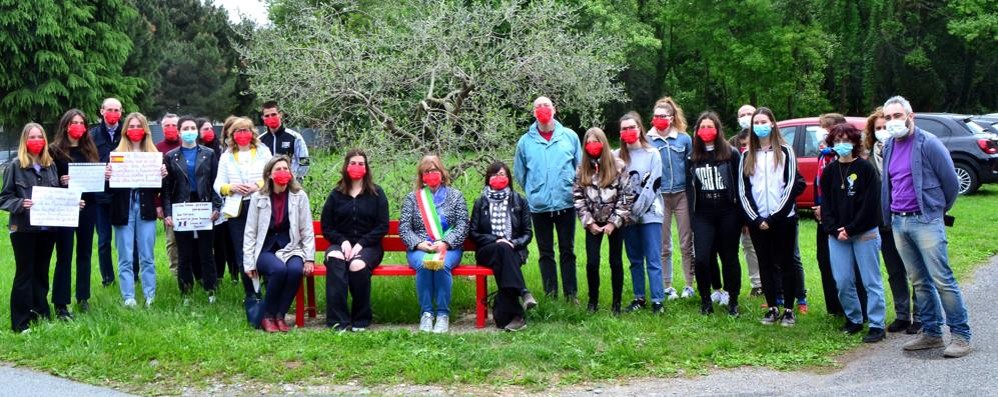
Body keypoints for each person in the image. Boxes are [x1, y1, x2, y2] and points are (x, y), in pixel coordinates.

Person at [880, 95, 970, 358]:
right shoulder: (888, 147)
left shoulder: (928, 143)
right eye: (888, 117)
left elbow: (951, 184)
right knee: (919, 281)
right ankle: (931, 333)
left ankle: (961, 335)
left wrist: (935, 211)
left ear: (911, 116)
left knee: (943, 280)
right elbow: (890, 184)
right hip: (899, 220)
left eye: (897, 116)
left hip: (926, 219)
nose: (892, 121)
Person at [737, 107, 805, 326]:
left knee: (786, 263)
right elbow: (743, 190)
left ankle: (788, 309)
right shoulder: (747, 155)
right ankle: (772, 307)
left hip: (783, 219)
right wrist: (756, 219)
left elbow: (791, 185)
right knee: (765, 264)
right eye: (756, 123)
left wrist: (774, 217)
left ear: (773, 124)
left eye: (763, 122)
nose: (759, 127)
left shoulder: (786, 152)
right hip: (758, 221)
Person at [820, 123, 887, 343]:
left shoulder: (866, 169)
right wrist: (833, 229)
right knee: (842, 280)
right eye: (837, 141)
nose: (841, 144)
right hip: (837, 235)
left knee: (871, 281)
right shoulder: (830, 171)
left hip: (864, 232)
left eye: (846, 140)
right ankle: (854, 319)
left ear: (855, 142)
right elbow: (826, 204)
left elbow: (870, 206)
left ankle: (877, 324)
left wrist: (850, 229)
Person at [513, 96, 580, 304]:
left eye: (546, 105)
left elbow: (580, 168)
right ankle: (551, 294)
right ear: (533, 113)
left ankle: (571, 295)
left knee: (567, 250)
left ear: (555, 109)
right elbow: (520, 173)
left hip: (566, 204)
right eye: (537, 106)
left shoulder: (569, 136)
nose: (542, 109)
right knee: (545, 252)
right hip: (539, 207)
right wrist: (535, 191)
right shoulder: (525, 141)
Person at [0, 123, 66, 332]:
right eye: (32, 137)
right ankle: (21, 322)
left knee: (41, 272)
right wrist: (20, 204)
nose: (36, 141)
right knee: (24, 274)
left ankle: (40, 313)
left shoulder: (51, 165)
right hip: (23, 230)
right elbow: (4, 198)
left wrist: (73, 202)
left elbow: (55, 195)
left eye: (40, 137)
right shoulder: (14, 166)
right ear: (24, 141)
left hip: (47, 230)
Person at [863, 108, 919, 334]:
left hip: (908, 218)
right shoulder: (868, 158)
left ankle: (921, 316)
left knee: (915, 270)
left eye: (885, 126)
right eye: (878, 128)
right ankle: (903, 315)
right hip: (884, 223)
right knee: (895, 271)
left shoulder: (904, 150)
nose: (883, 131)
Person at [243, 155, 315, 333]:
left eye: (286, 169)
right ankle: (267, 315)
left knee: (295, 270)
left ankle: (280, 315)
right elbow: (250, 231)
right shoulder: (258, 197)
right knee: (279, 270)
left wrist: (309, 258)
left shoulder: (299, 196)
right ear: (269, 174)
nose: (283, 173)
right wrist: (248, 262)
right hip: (265, 248)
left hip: (291, 247)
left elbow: (307, 229)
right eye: (278, 170)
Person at [320, 149, 389, 331]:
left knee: (356, 266)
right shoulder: (336, 194)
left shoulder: (376, 193)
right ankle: (338, 321)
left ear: (366, 168)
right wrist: (342, 242)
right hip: (340, 243)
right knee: (335, 258)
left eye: (361, 164)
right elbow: (326, 227)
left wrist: (360, 244)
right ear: (346, 166)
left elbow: (382, 226)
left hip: (369, 246)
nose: (356, 167)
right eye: (353, 163)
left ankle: (361, 319)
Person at [399, 155, 469, 333]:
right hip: (421, 247)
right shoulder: (412, 199)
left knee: (441, 265)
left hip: (449, 247)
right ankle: (427, 314)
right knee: (425, 265)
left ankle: (443, 315)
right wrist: (420, 244)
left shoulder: (456, 196)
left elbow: (462, 225)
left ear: (442, 172)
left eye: (434, 170)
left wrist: (446, 242)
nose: (431, 174)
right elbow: (404, 228)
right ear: (421, 176)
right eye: (426, 171)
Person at [106, 113, 167, 307]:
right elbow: (109, 190)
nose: (134, 130)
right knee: (125, 254)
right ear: (125, 130)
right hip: (123, 207)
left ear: (145, 130)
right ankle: (128, 297)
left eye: (138, 126)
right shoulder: (116, 154)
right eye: (131, 126)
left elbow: (159, 189)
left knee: (147, 254)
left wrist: (163, 175)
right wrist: (107, 176)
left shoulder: (154, 155)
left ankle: (150, 294)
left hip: (145, 207)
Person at [686, 112, 742, 316]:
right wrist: (692, 218)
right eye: (702, 127)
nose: (706, 131)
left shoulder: (731, 153)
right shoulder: (692, 156)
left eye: (710, 127)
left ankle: (733, 300)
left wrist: (742, 216)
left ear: (717, 130)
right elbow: (689, 188)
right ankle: (705, 299)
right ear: (697, 131)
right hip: (703, 213)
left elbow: (739, 185)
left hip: (728, 212)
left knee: (729, 257)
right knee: (701, 258)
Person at [162, 116, 221, 303]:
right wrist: (168, 213)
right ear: (179, 132)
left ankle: (210, 289)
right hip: (182, 206)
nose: (189, 131)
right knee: (184, 252)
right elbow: (166, 188)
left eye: (192, 127)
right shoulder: (171, 156)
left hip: (204, 205)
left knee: (206, 251)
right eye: (185, 128)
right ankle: (186, 291)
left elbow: (216, 183)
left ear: (197, 131)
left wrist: (216, 206)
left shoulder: (209, 153)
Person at [813, 114, 867, 318]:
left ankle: (861, 310)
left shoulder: (859, 163)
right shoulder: (824, 156)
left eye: (827, 129)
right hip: (827, 219)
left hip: (851, 221)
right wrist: (820, 208)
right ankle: (835, 307)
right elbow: (820, 187)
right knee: (826, 261)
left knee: (856, 269)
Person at [573, 128, 632, 314]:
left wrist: (614, 222)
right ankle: (593, 302)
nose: (593, 146)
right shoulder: (581, 169)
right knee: (592, 262)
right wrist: (589, 222)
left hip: (615, 221)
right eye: (588, 143)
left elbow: (626, 196)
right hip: (593, 222)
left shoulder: (618, 166)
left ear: (603, 143)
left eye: (596, 141)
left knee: (615, 261)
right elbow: (577, 197)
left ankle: (616, 304)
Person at [469, 161, 533, 330]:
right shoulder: (480, 202)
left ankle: (512, 317)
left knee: (504, 255)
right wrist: (495, 240)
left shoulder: (519, 200)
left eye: (502, 175)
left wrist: (512, 242)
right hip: (487, 250)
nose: (499, 178)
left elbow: (528, 233)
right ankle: (523, 291)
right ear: (488, 179)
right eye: (495, 175)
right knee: (501, 249)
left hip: (514, 250)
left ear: (509, 178)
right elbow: (474, 233)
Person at [214, 117, 273, 298]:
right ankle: (251, 294)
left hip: (260, 205)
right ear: (232, 135)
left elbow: (272, 174)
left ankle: (268, 290)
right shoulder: (226, 156)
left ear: (252, 132)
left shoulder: (263, 151)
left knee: (263, 248)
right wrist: (230, 188)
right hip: (237, 209)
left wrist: (258, 185)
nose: (242, 134)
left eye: (246, 130)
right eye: (238, 131)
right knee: (242, 251)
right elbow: (218, 184)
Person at [49, 109, 99, 319]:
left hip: (88, 206)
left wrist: (102, 174)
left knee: (85, 253)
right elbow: (49, 179)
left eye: (81, 122)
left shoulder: (89, 150)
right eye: (74, 122)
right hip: (66, 208)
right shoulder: (54, 150)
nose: (78, 126)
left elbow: (95, 180)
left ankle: (83, 297)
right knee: (65, 254)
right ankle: (61, 304)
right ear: (65, 125)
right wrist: (62, 183)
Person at [617, 112, 666, 314]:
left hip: (650, 214)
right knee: (635, 259)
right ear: (620, 133)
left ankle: (657, 300)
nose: (629, 132)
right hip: (626, 217)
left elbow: (652, 186)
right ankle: (639, 297)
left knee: (653, 258)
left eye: (632, 127)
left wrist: (635, 212)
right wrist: (625, 214)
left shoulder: (652, 154)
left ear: (640, 129)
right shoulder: (616, 156)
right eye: (624, 128)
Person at [646, 97, 694, 300]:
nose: (659, 120)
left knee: (686, 242)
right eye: (656, 116)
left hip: (682, 193)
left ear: (672, 118)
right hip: (660, 196)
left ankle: (689, 285)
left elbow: (691, 167)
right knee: (663, 243)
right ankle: (667, 285)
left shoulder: (684, 139)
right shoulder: (647, 140)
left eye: (663, 116)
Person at [198, 117, 238, 284]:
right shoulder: (196, 151)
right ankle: (213, 276)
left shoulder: (221, 150)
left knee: (227, 243)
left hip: (226, 201)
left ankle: (234, 274)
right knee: (213, 243)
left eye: (210, 128)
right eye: (204, 129)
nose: (208, 132)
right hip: (204, 201)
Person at [90, 98, 123, 286]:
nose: (113, 113)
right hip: (100, 196)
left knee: (127, 238)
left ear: (121, 111)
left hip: (122, 195)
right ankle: (107, 278)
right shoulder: (92, 135)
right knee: (104, 240)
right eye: (109, 109)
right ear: (102, 111)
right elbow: (86, 162)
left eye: (116, 110)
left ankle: (132, 274)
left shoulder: (127, 133)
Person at [729, 125, 762, 297]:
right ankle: (758, 283)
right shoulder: (733, 150)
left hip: (765, 210)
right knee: (748, 245)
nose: (745, 147)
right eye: (743, 144)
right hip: (743, 209)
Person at [155, 113, 182, 274]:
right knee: (172, 240)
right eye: (167, 125)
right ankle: (175, 272)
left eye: (174, 125)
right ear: (162, 128)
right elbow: (154, 180)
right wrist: (157, 205)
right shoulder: (156, 149)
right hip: (167, 202)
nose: (171, 128)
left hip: (188, 201)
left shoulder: (188, 145)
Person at [258, 101, 310, 182]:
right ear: (263, 118)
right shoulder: (260, 141)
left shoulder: (295, 137)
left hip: (291, 183)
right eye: (267, 116)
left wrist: (296, 178)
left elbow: (304, 162)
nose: (270, 117)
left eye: (273, 114)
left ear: (280, 114)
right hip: (268, 185)